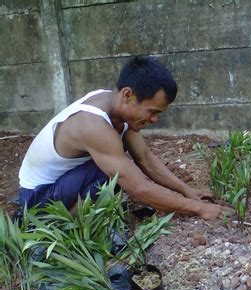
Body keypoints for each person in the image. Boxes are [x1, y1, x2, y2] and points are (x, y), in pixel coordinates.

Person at [18, 56, 230, 220]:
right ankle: (62, 223)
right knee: (117, 171)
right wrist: (199, 209)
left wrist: (188, 192)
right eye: (152, 111)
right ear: (128, 95)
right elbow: (138, 187)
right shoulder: (92, 125)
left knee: (118, 166)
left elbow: (144, 158)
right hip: (38, 200)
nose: (154, 120)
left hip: (62, 184)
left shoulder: (116, 107)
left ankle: (81, 213)